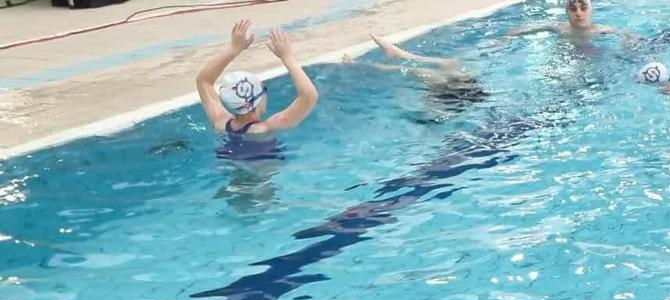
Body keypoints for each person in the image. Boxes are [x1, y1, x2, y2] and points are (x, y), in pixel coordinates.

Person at [196, 20, 319, 153]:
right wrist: (287, 57)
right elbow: (309, 96)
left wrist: (233, 49)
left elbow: (203, 81)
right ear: (256, 100)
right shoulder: (266, 128)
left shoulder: (220, 122)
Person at [344, 34, 487, 121]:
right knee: (450, 63)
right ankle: (399, 54)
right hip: (468, 92)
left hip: (455, 95)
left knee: (414, 70)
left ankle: (360, 64)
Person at [503, 0, 640, 44]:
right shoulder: (557, 26)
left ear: (590, 11)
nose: (578, 13)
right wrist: (505, 39)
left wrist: (629, 42)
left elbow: (629, 35)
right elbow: (517, 30)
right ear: (566, 12)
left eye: (583, 8)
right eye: (573, 9)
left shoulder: (601, 30)